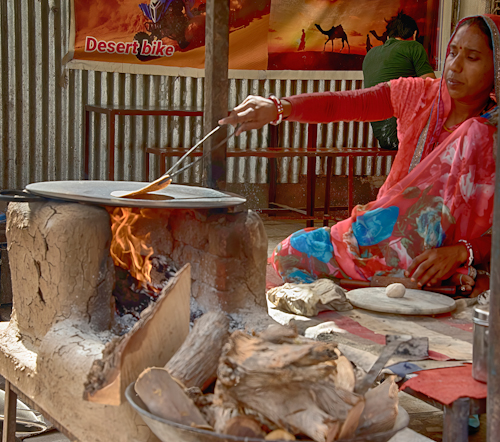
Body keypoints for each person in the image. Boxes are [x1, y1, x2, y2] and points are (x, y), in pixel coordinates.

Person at [219, 15, 499, 297]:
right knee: (288, 252)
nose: (455, 66)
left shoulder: (490, 133)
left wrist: (463, 252)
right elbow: (347, 104)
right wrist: (278, 108)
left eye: (472, 58)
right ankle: (406, 281)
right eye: (452, 53)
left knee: (477, 132)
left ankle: (438, 279)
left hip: (454, 256)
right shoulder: (421, 95)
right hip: (383, 237)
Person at [362, 11, 436, 150]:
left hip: (382, 136)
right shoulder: (414, 47)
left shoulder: (370, 54)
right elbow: (431, 83)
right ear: (414, 34)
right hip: (402, 134)